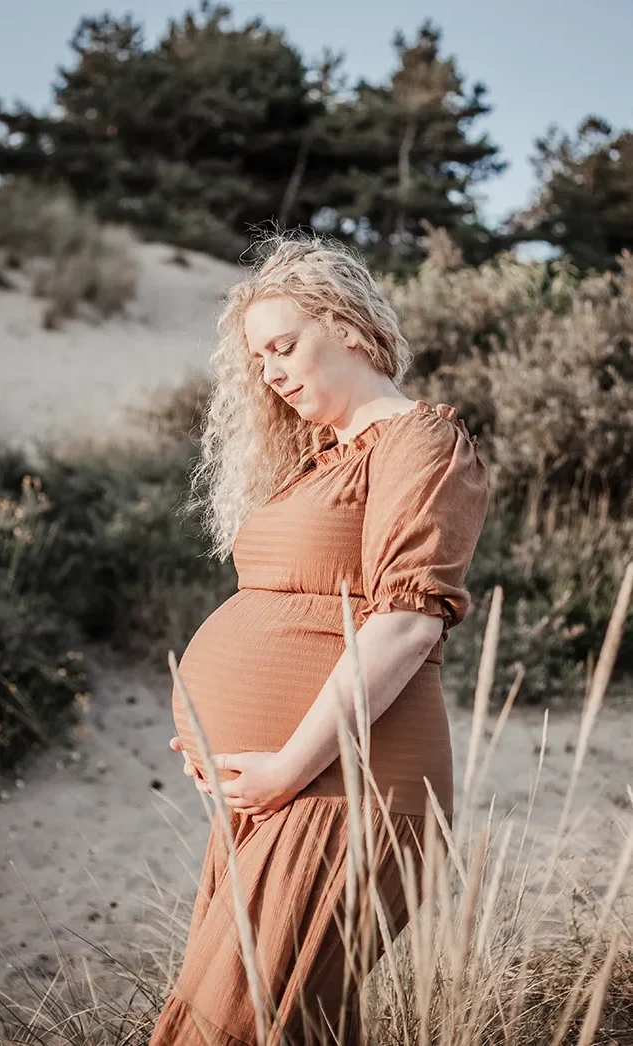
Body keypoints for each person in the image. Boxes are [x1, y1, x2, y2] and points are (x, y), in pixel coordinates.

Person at [148, 231, 490, 1045]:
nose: (270, 371)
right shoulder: (321, 461)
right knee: (281, 1023)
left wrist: (285, 768)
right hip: (281, 792)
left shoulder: (421, 439)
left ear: (345, 324)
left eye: (284, 345)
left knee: (233, 1027)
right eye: (258, 358)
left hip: (347, 788)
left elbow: (404, 626)